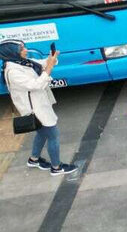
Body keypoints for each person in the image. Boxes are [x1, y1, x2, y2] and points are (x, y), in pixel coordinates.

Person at [1, 39, 76, 176]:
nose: (25, 50)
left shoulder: (22, 62)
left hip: (40, 105)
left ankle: (34, 159)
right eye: (21, 49)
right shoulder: (13, 72)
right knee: (53, 135)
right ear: (12, 52)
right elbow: (35, 85)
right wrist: (49, 68)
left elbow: (40, 65)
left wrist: (51, 59)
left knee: (42, 133)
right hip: (36, 109)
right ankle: (56, 167)